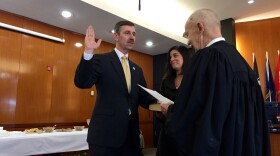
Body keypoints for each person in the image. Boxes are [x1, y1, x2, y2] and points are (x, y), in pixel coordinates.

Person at [161, 8, 271, 156]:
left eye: (188, 34)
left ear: (200, 28)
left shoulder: (206, 58)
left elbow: (193, 113)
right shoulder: (242, 63)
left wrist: (171, 112)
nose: (188, 41)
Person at [74, 21, 157, 156]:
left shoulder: (137, 70)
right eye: (127, 33)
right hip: (105, 138)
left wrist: (161, 105)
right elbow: (82, 82)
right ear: (116, 36)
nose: (132, 37)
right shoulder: (100, 60)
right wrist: (88, 52)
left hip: (131, 139)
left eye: (134, 34)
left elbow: (144, 97)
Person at [156, 45, 193, 156]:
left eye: (175, 55)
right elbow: (160, 103)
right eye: (170, 57)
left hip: (186, 133)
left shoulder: (193, 80)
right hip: (167, 133)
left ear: (185, 57)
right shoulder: (166, 80)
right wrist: (160, 112)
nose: (171, 59)